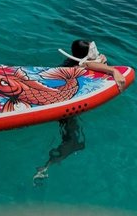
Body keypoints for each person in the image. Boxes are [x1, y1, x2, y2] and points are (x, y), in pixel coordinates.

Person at [33, 39, 126, 185]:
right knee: (72, 140)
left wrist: (100, 60)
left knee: (71, 135)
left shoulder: (71, 60)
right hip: (63, 102)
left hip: (56, 92)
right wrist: (113, 70)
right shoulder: (82, 63)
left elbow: (92, 61)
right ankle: (46, 167)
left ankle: (48, 165)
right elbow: (88, 64)